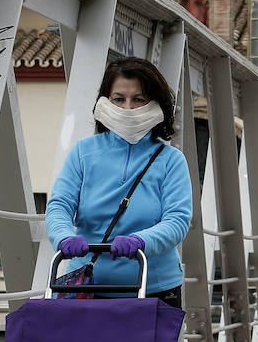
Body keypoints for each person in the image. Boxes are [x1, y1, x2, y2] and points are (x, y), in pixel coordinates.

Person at [46, 58, 193, 307]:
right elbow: (59, 205)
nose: (128, 108)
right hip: (87, 289)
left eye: (139, 99)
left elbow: (177, 220)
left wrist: (140, 241)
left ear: (156, 102)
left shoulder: (171, 160)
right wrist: (64, 237)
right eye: (118, 99)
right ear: (105, 101)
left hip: (154, 289)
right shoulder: (82, 152)